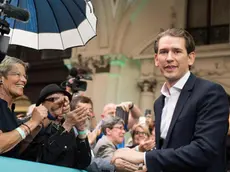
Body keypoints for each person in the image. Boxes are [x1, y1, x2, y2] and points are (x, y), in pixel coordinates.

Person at [111, 28, 229, 172]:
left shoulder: (210, 92)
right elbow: (167, 149)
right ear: (156, 59)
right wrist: (138, 163)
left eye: (177, 51)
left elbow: (204, 151)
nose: (169, 58)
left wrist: (144, 158)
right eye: (163, 52)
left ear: (191, 58)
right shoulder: (159, 103)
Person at [21, 84, 91, 169]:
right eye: (53, 99)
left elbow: (83, 163)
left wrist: (81, 131)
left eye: (63, 100)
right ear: (42, 104)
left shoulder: (69, 129)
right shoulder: (32, 124)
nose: (60, 103)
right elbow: (44, 159)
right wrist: (67, 125)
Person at [0, 56, 48, 158]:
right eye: (17, 74)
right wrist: (31, 123)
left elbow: (13, 152)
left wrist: (31, 134)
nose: (23, 80)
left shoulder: (10, 110)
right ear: (1, 77)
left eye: (25, 76)